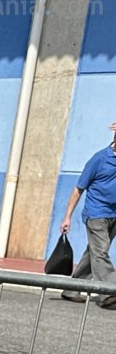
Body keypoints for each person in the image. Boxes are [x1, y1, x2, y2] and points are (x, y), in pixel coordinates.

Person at [60, 121, 116, 309]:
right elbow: (78, 189)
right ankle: (109, 291)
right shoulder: (99, 159)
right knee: (100, 251)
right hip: (96, 213)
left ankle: (71, 289)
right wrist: (67, 216)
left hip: (114, 215)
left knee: (93, 253)